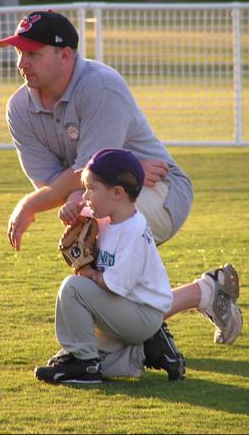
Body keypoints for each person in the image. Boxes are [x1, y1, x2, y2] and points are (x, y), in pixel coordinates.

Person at [0, 10, 242, 345]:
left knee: (101, 255)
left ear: (65, 55)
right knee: (97, 250)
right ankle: (204, 293)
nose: (23, 62)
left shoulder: (100, 86)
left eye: (33, 54)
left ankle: (154, 330)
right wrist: (66, 195)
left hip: (162, 191)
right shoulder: (19, 107)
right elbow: (53, 181)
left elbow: (89, 172)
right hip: (105, 194)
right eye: (20, 53)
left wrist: (31, 205)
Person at [34, 148, 186, 384]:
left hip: (141, 314)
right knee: (94, 353)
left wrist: (86, 271)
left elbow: (115, 285)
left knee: (73, 287)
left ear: (117, 193)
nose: (85, 196)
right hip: (129, 310)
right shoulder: (109, 216)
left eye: (91, 189)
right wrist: (69, 211)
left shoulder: (133, 232)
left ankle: (85, 366)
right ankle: (147, 352)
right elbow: (78, 213)